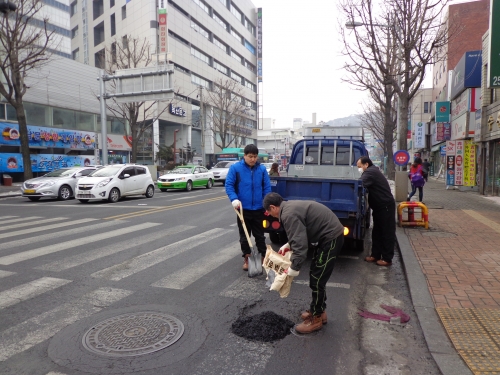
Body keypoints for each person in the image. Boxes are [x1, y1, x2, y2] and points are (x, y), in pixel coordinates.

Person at [263, 192, 344, 334]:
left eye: (269, 213)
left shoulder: (287, 214)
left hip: (331, 237)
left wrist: (294, 268)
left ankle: (317, 319)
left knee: (317, 279)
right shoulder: (289, 208)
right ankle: (319, 310)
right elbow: (300, 232)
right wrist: (289, 245)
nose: (270, 215)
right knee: (315, 273)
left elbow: (300, 246)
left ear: (273, 207)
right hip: (325, 236)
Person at [226, 144, 271, 270]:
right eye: (250, 156)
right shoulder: (236, 168)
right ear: (244, 156)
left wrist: (266, 204)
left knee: (260, 235)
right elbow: (229, 184)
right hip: (243, 209)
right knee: (245, 236)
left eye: (255, 157)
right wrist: (234, 199)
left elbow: (267, 188)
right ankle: (247, 258)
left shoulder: (261, 170)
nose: (253, 159)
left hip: (258, 208)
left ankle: (262, 257)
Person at [356, 156, 395, 267]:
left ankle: (387, 259)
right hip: (379, 207)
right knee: (377, 232)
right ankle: (375, 255)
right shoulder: (372, 171)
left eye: (359, 167)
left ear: (366, 165)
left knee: (387, 233)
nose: (359, 169)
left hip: (385, 206)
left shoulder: (370, 173)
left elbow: (359, 184)